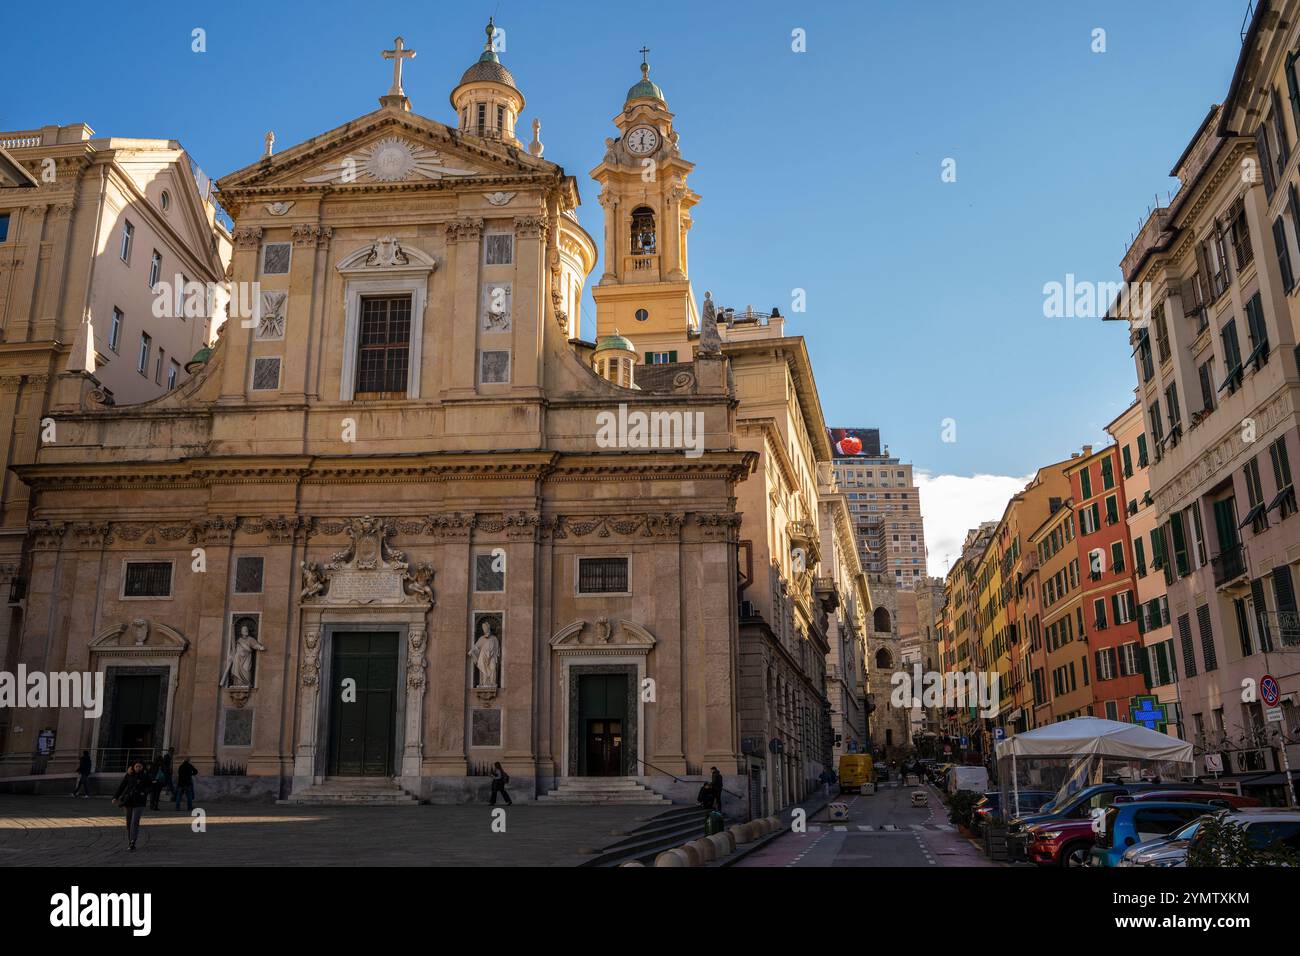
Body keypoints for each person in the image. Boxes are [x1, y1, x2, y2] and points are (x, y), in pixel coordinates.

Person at [113, 761, 150, 851]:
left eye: (140, 766)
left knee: (134, 822)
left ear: (142, 767)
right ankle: (130, 840)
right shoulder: (129, 775)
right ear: (133, 767)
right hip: (128, 801)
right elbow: (122, 786)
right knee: (129, 822)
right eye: (136, 766)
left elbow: (150, 786)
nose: (138, 768)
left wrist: (144, 792)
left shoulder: (145, 776)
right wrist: (115, 797)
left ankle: (133, 841)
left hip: (139, 801)